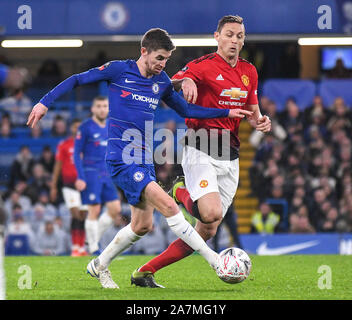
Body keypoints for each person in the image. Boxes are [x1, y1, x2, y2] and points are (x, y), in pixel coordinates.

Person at [27, 27, 250, 289]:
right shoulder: (119, 70)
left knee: (141, 225)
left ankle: (99, 265)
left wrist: (225, 113)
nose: (162, 65)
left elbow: (187, 109)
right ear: (143, 51)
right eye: (158, 58)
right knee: (168, 206)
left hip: (143, 159)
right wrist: (44, 102)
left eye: (166, 59)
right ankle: (215, 261)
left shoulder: (162, 81)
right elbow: (77, 79)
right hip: (122, 158)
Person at [132, 15, 271, 287]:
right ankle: (178, 190)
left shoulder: (249, 71)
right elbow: (169, 82)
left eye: (239, 36)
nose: (235, 40)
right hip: (202, 145)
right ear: (216, 37)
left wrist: (261, 121)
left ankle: (145, 272)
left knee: (208, 228)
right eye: (229, 34)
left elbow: (253, 112)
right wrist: (185, 82)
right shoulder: (201, 65)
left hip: (230, 153)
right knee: (209, 213)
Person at [73, 96, 122, 255]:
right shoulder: (86, 126)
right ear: (93, 109)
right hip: (91, 172)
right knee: (94, 209)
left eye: (105, 106)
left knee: (115, 208)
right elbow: (76, 153)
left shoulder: (111, 126)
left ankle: (91, 239)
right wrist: (80, 176)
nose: (102, 109)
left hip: (106, 172)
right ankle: (93, 248)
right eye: (99, 106)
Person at [50, 118, 88, 256]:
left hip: (84, 184)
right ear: (71, 128)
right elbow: (58, 166)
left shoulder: (88, 145)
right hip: (69, 184)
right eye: (75, 127)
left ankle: (81, 247)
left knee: (83, 215)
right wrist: (53, 186)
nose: (77, 129)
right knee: (75, 213)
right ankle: (75, 247)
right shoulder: (64, 145)